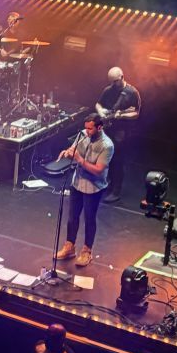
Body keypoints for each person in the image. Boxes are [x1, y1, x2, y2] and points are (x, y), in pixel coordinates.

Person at [55, 113, 114, 267]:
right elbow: (74, 149)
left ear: (99, 127)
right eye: (86, 128)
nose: (87, 131)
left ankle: (87, 251)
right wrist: (69, 152)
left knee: (89, 219)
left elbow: (98, 170)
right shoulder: (82, 135)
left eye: (90, 129)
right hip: (77, 183)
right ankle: (70, 247)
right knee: (72, 217)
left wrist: (80, 160)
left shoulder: (107, 145)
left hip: (94, 187)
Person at [94, 66, 140, 203]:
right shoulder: (108, 90)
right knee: (106, 158)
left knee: (117, 161)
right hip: (108, 128)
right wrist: (101, 112)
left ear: (122, 77)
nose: (113, 84)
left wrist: (122, 116)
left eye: (115, 81)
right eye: (111, 82)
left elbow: (136, 112)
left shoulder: (132, 92)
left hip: (122, 131)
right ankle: (107, 183)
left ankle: (116, 190)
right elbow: (98, 104)